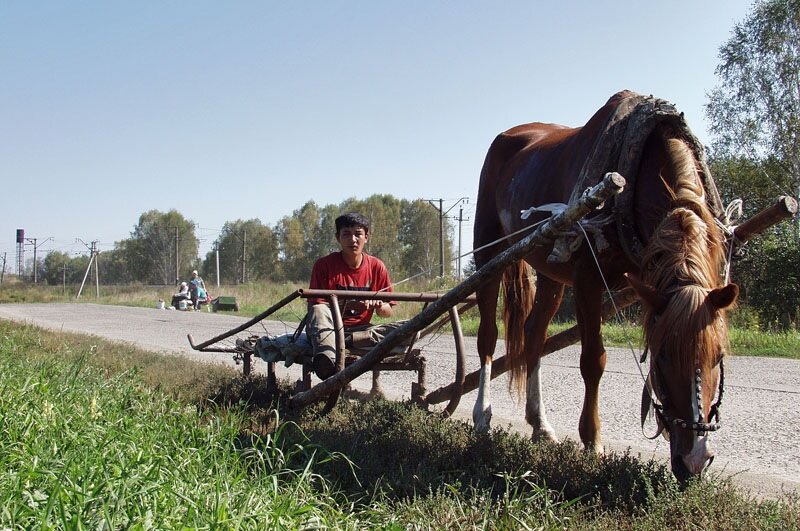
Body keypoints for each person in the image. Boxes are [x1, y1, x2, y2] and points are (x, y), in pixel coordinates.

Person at [307, 212, 401, 379]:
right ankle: (327, 358)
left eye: (358, 234)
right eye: (346, 234)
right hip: (330, 330)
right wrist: (349, 304)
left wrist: (379, 305)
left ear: (366, 237)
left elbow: (387, 311)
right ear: (338, 238)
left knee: (409, 329)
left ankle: (350, 340)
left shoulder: (377, 266)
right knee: (318, 310)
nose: (353, 240)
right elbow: (315, 307)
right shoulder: (324, 265)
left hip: (363, 330)